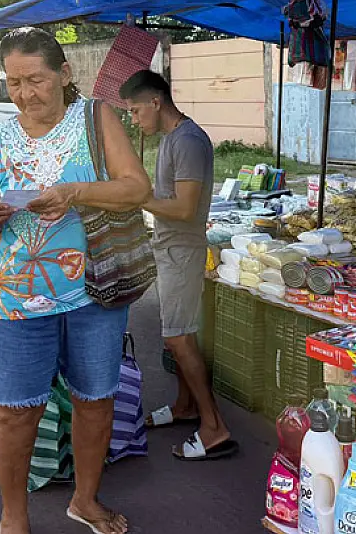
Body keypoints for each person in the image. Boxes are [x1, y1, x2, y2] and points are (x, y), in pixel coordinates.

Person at [0, 27, 150, 534]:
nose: (25, 93)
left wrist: (74, 192)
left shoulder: (95, 119)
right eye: (15, 83)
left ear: (65, 75)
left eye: (37, 79)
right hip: (19, 301)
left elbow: (137, 188)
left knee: (95, 399)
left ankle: (85, 501)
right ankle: (13, 519)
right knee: (15, 413)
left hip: (94, 290)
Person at [121, 70, 236, 462]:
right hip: (170, 248)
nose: (135, 120)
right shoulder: (172, 139)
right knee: (181, 333)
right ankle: (186, 405)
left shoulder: (188, 141)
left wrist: (138, 198)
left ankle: (214, 426)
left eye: (136, 111)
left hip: (183, 252)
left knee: (178, 338)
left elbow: (186, 210)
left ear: (155, 101)